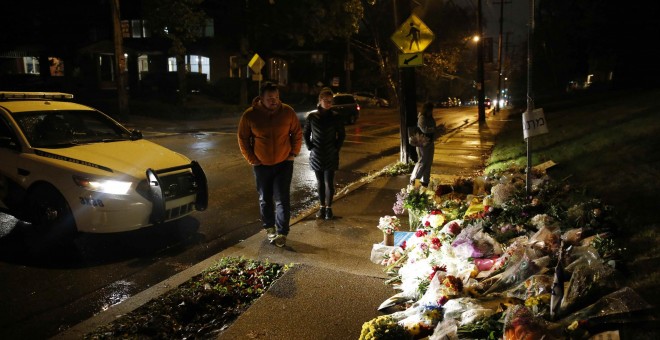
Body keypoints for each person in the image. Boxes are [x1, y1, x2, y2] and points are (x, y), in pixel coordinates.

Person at [237, 81, 302, 248]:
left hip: (283, 163)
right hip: (261, 165)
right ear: (261, 98)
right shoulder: (250, 115)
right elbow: (243, 138)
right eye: (270, 98)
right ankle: (269, 227)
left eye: (276, 97)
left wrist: (293, 153)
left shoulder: (287, 112)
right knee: (265, 199)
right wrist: (252, 159)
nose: (274, 101)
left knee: (282, 199)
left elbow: (296, 132)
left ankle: (282, 232)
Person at [303, 87, 346, 220]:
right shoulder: (312, 116)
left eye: (330, 101)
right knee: (319, 182)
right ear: (320, 100)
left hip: (330, 153)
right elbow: (306, 133)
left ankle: (329, 209)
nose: (328, 103)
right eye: (326, 100)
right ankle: (321, 208)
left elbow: (342, 134)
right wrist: (310, 147)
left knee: (329, 182)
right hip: (317, 154)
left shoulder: (335, 116)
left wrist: (336, 148)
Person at [410, 102, 437, 187]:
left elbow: (433, 128)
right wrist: (433, 129)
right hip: (422, 143)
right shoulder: (422, 118)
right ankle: (415, 181)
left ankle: (425, 181)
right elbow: (425, 130)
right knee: (422, 162)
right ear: (426, 110)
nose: (431, 112)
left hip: (430, 142)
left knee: (428, 162)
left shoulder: (430, 118)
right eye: (430, 110)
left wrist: (434, 129)